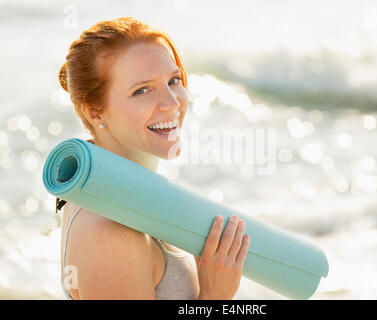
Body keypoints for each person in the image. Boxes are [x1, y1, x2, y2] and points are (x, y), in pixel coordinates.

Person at [56, 17, 250, 300]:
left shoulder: (126, 196)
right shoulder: (114, 234)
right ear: (94, 112)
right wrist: (215, 298)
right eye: (142, 90)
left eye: (173, 80)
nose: (172, 102)